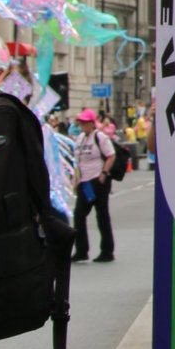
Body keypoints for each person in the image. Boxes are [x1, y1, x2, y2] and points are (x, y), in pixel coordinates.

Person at [70, 109, 118, 262]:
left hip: (98, 180)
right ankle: (81, 250)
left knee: (102, 216)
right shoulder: (80, 139)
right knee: (78, 215)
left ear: (92, 123)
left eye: (85, 122)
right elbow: (78, 162)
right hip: (85, 182)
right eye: (81, 122)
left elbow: (111, 155)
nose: (82, 124)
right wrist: (76, 180)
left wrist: (104, 174)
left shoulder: (100, 137)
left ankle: (107, 251)